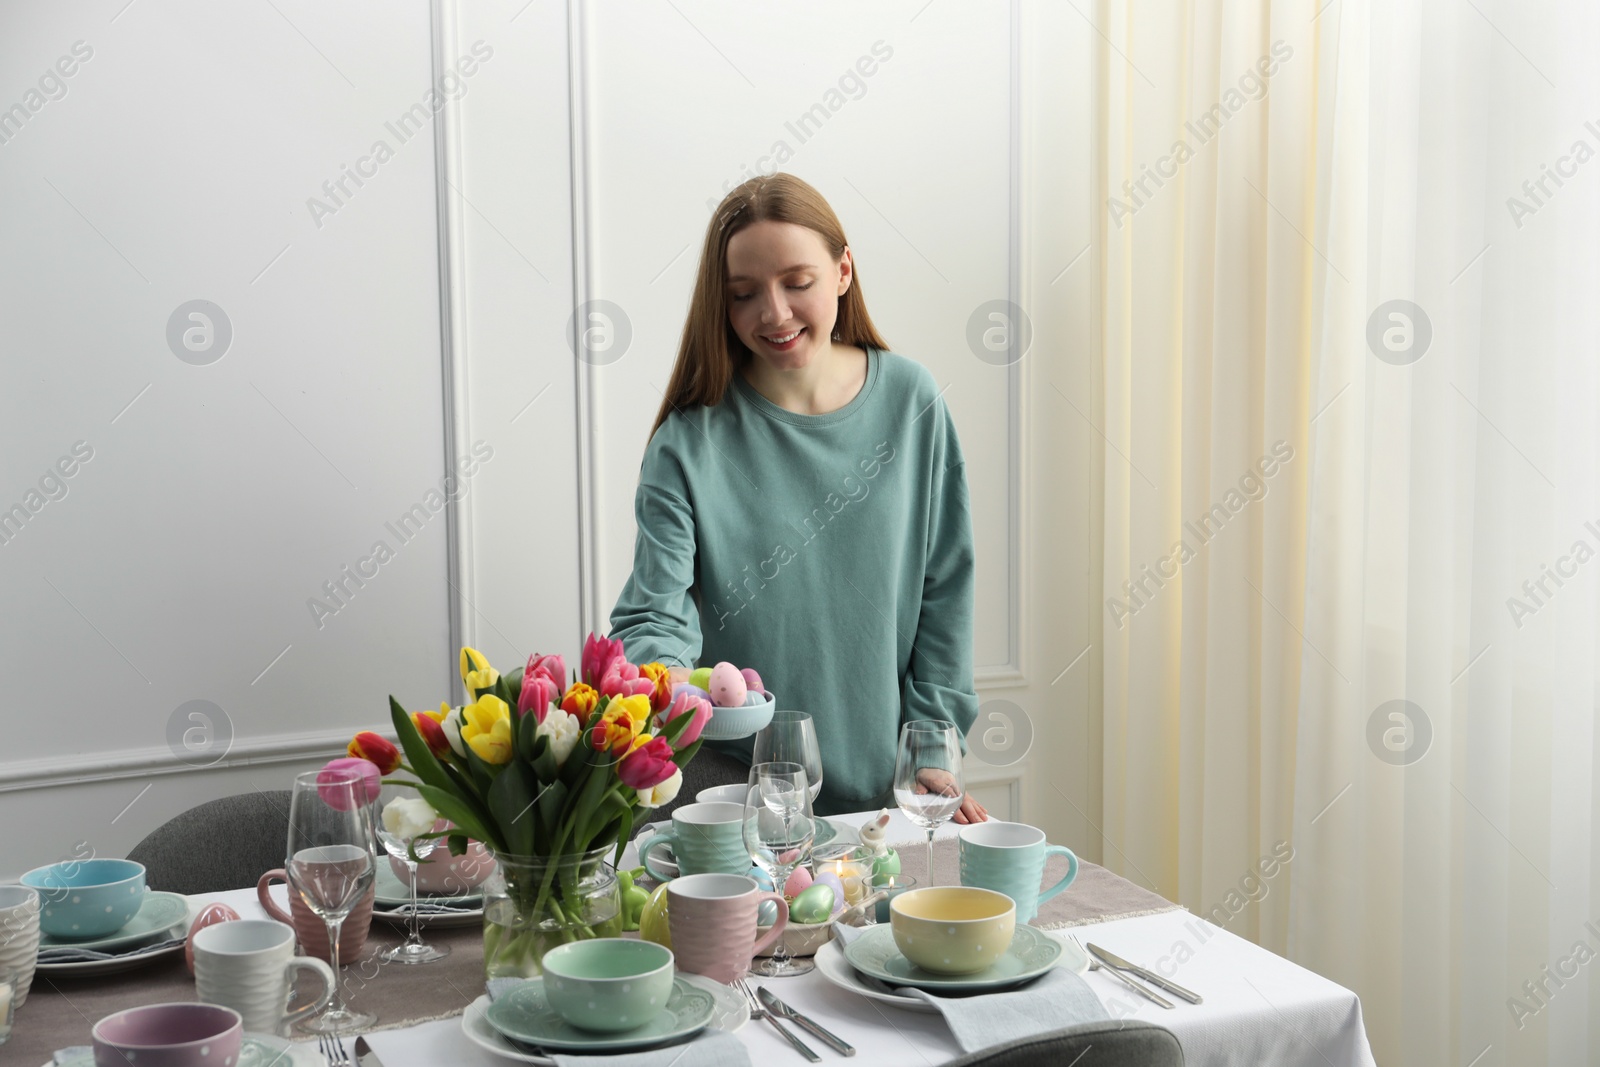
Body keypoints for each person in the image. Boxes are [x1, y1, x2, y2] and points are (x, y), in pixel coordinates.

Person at [608, 173, 987, 824]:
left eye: (797, 282)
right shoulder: (688, 442)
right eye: (744, 293)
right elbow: (654, 617)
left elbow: (944, 588)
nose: (774, 313)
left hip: (881, 792)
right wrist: (669, 683)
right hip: (726, 788)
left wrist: (935, 743)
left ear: (843, 271)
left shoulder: (912, 404)